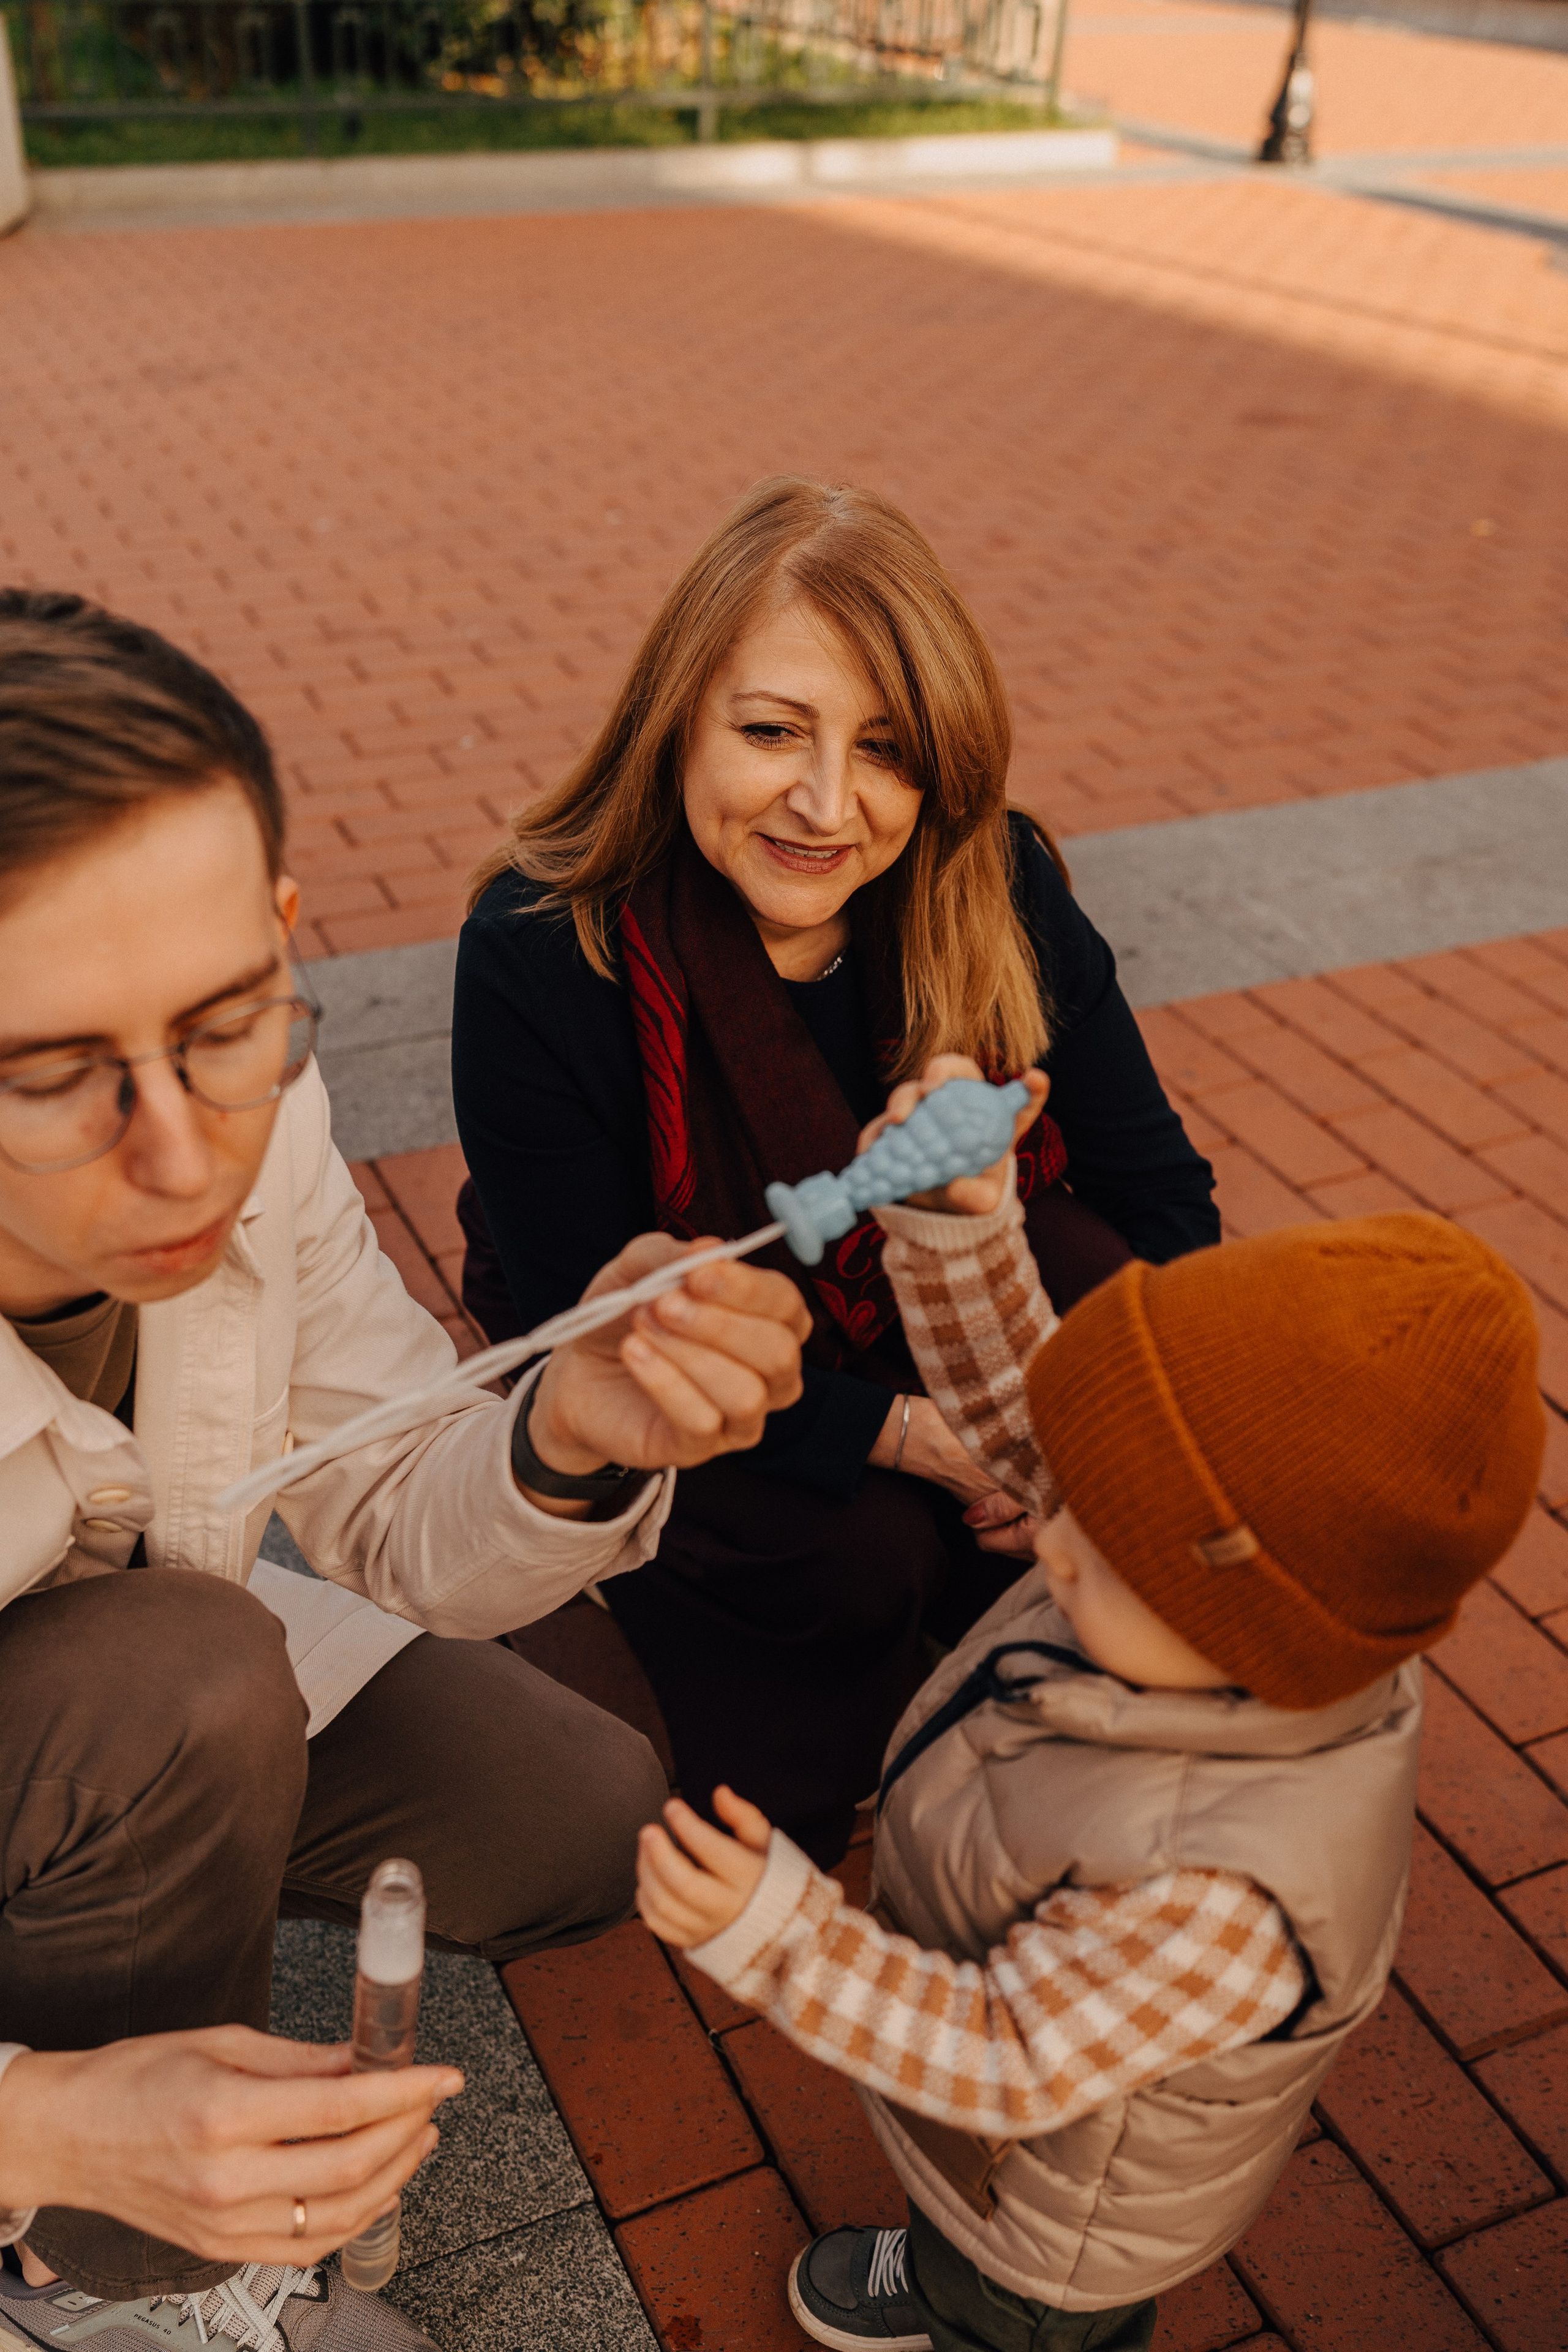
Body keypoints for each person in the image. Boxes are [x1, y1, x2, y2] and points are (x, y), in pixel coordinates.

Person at [0, 590, 810, 2352]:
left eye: (227, 1020)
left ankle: (114, 1876)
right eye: (56, 1077)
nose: (178, 1155)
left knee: (580, 1818)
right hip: (152, 1670)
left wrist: (570, 1434)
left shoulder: (265, 1117)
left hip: (128, 1672)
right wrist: (45, 2128)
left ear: (284, 933)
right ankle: (102, 2284)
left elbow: (387, 1505)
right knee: (191, 1682)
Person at [636, 1054, 1545, 2352]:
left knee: (1010, 2299)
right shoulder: (1202, 1590)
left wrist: (778, 1935)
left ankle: (969, 2299)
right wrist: (960, 1228)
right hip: (1003, 2089)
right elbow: (1038, 1418)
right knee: (963, 2200)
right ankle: (949, 2256)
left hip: (1053, 2219)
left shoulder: (1224, 1898)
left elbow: (1005, 2058)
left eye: (1097, 1542)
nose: (1044, 1533)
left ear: (1242, 1615)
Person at [452, 477, 1220, 1868]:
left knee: (1103, 1305)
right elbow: (594, 1306)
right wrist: (936, 1441)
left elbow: (1161, 1203)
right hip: (674, 1335)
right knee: (866, 1549)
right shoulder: (538, 945)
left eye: (884, 750)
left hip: (946, 1290)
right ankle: (789, 1785)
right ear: (674, 712)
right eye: (767, 731)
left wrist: (1086, 1426)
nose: (824, 805)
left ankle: (1021, 1677)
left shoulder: (993, 882)